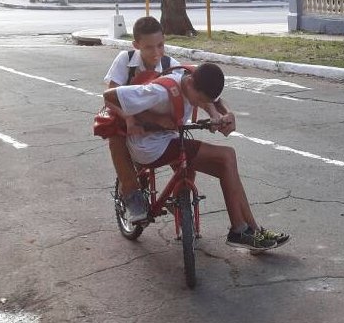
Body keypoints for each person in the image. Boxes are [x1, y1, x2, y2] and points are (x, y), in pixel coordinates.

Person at [103, 62, 288, 251]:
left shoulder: (193, 76)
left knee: (227, 168)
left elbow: (215, 100)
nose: (200, 104)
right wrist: (137, 119)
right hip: (149, 146)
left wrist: (225, 114)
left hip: (170, 139)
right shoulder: (160, 91)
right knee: (227, 156)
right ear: (190, 83)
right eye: (199, 99)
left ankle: (253, 230)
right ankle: (239, 230)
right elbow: (108, 97)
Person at [103, 16, 236, 222]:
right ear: (136, 45)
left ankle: (179, 199)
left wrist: (217, 114)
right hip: (125, 117)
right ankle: (131, 196)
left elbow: (207, 95)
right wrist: (131, 120)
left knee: (185, 160)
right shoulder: (125, 60)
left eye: (160, 45)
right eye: (148, 47)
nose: (156, 53)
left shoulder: (170, 65)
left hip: (161, 125)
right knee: (116, 141)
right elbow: (112, 94)